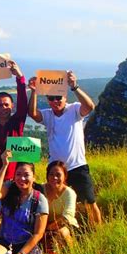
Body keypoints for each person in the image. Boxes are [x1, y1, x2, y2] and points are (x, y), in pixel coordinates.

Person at [28, 71, 102, 226]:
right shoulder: (48, 115)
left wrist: (74, 86)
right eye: (51, 98)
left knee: (89, 202)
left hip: (77, 166)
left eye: (58, 97)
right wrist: (34, 91)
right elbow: (33, 114)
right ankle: (54, 230)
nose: (55, 101)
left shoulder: (74, 109)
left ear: (65, 97)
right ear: (47, 100)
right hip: (55, 168)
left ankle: (98, 233)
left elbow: (89, 106)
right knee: (53, 201)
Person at [42, 161, 79, 254]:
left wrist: (48, 229)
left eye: (58, 175)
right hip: (44, 225)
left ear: (65, 176)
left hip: (65, 225)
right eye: (51, 174)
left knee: (62, 232)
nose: (54, 178)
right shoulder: (41, 189)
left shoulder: (69, 193)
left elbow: (67, 217)